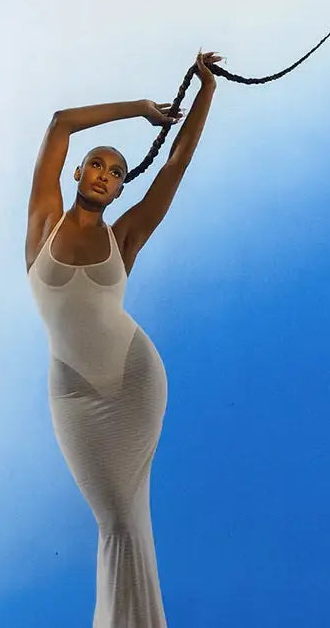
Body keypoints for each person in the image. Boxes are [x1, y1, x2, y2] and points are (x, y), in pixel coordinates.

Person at [26, 51, 222, 627]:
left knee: (125, 520)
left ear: (118, 190)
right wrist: (139, 109)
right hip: (73, 392)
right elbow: (61, 122)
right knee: (117, 518)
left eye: (115, 173)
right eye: (96, 164)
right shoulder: (43, 222)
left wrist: (206, 92)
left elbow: (175, 166)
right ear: (78, 173)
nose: (104, 175)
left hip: (135, 379)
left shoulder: (125, 237)